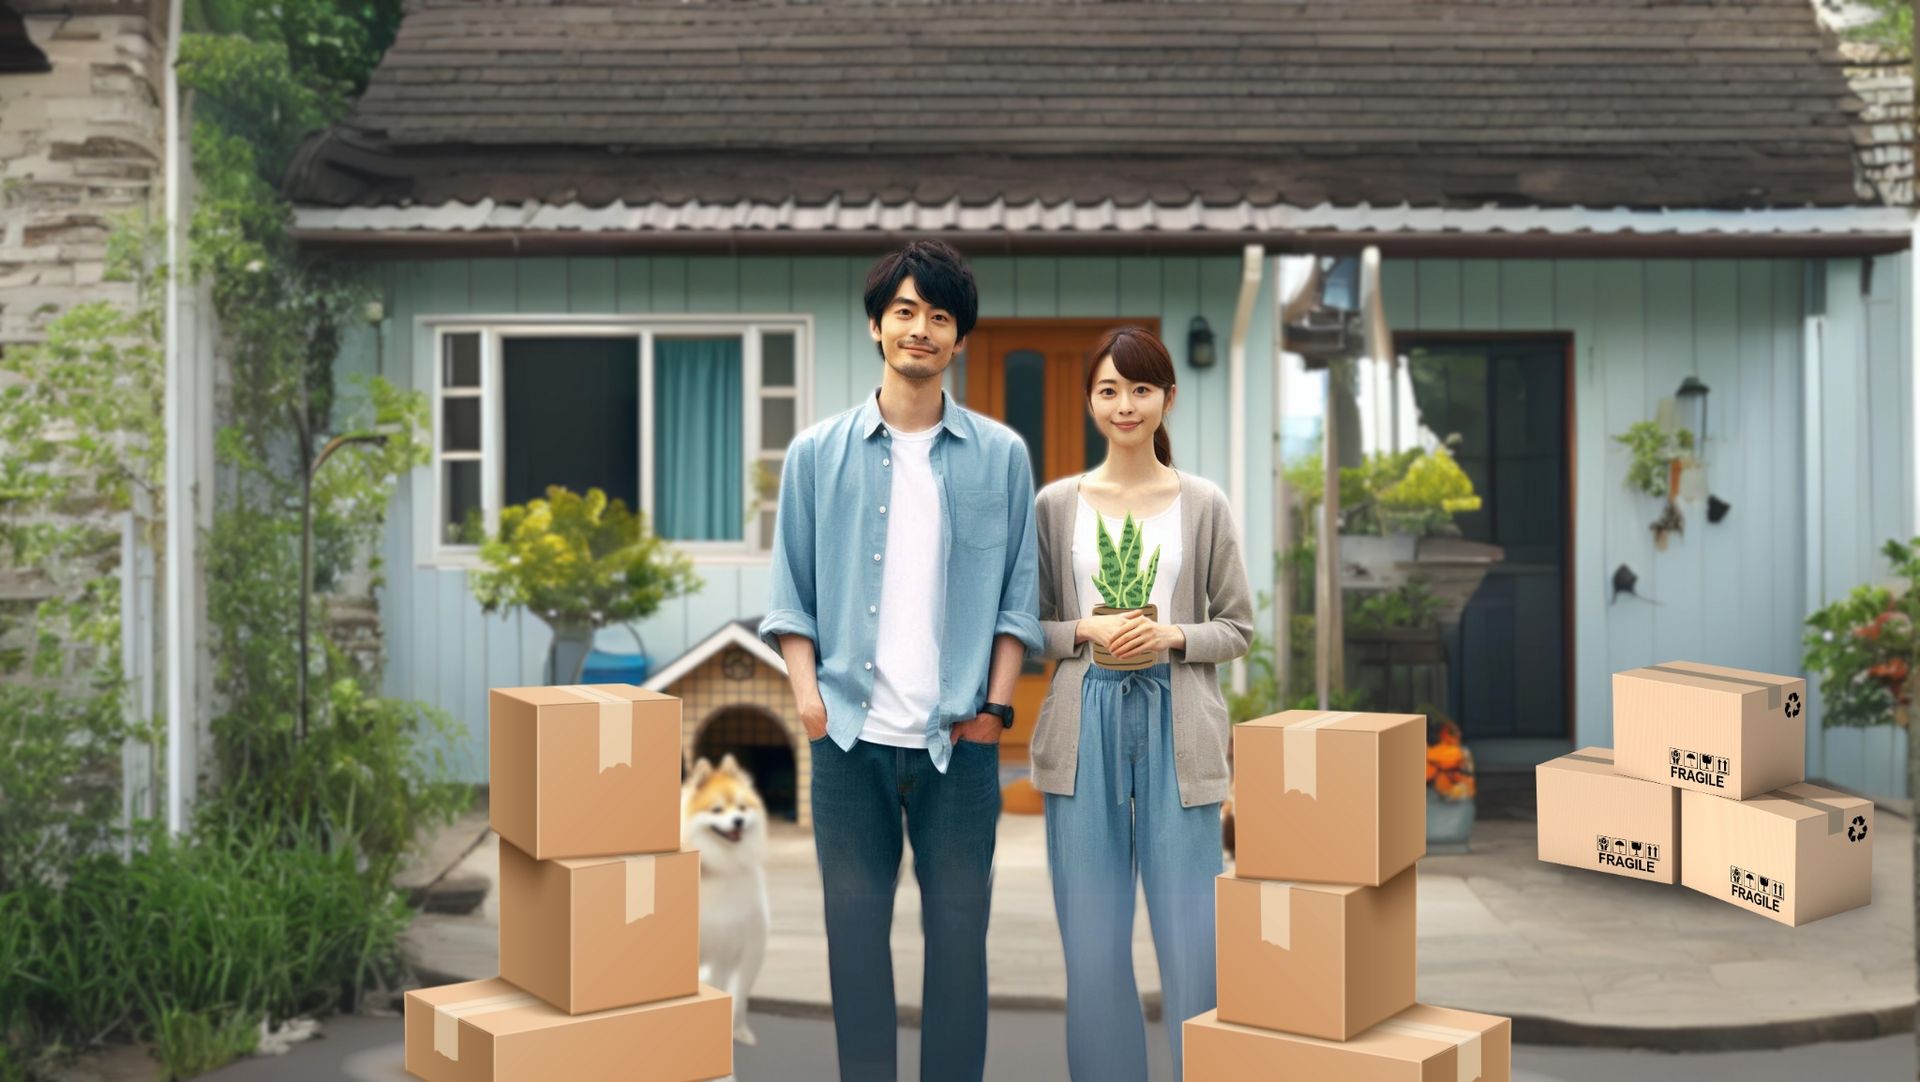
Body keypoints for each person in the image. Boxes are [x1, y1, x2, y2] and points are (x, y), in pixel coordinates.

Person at [759, 239, 1042, 1082]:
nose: (921, 329)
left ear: (960, 341)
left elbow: (1016, 601)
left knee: (959, 946)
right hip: (847, 740)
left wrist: (993, 712)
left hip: (960, 743)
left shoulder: (1002, 457)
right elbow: (791, 596)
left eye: (941, 317)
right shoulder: (816, 454)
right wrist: (810, 700)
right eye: (906, 312)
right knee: (855, 944)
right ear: (878, 327)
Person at [1029, 325, 1254, 1082]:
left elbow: (1238, 626)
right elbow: (1029, 627)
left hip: (1179, 722)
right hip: (1082, 722)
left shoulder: (1204, 503)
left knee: (1192, 937)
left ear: (1167, 399)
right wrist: (1086, 629)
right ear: (1090, 400)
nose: (1125, 405)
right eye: (1108, 389)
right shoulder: (1056, 504)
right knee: (1092, 941)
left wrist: (1172, 640)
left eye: (1141, 389)